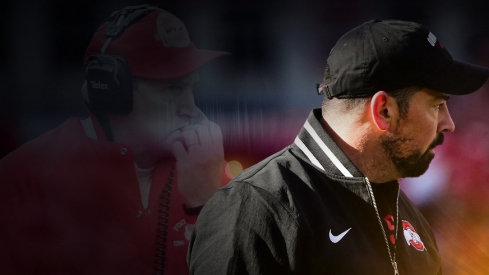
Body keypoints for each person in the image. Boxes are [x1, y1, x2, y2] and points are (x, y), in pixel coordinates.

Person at [188, 19, 489, 274]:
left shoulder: (407, 215)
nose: (449, 123)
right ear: (384, 111)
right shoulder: (254, 208)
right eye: (437, 105)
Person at [0, 4, 228, 275]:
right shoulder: (24, 177)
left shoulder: (208, 173)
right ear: (110, 91)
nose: (190, 109)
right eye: (172, 89)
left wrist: (205, 207)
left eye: (191, 87)